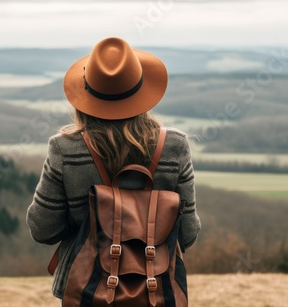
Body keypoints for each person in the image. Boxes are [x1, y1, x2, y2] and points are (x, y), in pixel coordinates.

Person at [26, 37, 201, 301]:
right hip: (157, 289)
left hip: (84, 290)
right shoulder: (174, 147)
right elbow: (187, 234)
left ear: (86, 96)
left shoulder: (65, 149)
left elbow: (43, 229)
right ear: (142, 92)